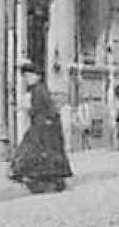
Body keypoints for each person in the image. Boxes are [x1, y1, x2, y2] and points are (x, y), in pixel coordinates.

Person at [10, 61, 72, 194]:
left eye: (28, 76)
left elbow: (44, 108)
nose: (26, 80)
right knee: (38, 150)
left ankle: (28, 174)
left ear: (36, 76)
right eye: (25, 77)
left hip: (44, 126)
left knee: (33, 149)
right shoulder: (39, 89)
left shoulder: (39, 89)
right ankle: (45, 178)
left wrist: (29, 110)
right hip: (43, 125)